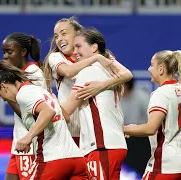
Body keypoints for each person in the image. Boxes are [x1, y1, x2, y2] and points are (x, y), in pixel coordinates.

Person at [0, 60, 89, 180]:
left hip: (53, 160)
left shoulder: (23, 94)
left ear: (4, 86)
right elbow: (66, 118)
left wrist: (28, 137)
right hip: (77, 160)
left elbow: (48, 112)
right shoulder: (43, 92)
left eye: (0, 95)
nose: (4, 100)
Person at [44, 16, 132, 147]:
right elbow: (69, 71)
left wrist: (100, 86)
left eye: (64, 33)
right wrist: (96, 58)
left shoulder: (100, 55)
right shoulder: (56, 57)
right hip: (68, 132)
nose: (59, 39)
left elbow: (127, 74)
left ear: (77, 34)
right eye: (56, 36)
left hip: (94, 131)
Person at [60, 28, 129, 180]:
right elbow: (128, 74)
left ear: (94, 47)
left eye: (78, 46)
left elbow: (66, 110)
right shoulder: (110, 71)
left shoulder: (88, 72)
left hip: (102, 146)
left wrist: (45, 99)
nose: (75, 51)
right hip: (110, 144)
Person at [123, 50, 181, 180]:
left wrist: (123, 129)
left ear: (161, 69)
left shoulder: (160, 93)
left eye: (151, 65)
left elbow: (150, 129)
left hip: (167, 166)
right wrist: (133, 128)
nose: (149, 69)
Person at [0, 32, 46, 180]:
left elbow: (30, 117)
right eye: (4, 52)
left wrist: (4, 95)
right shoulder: (16, 75)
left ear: (23, 52)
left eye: (9, 52)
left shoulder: (34, 74)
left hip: (30, 146)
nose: (5, 56)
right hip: (18, 144)